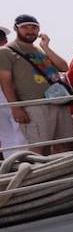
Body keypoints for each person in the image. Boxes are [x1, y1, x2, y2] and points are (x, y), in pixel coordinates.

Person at [0, 14, 73, 155]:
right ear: (16, 28)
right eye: (25, 27)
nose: (30, 31)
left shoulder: (40, 49)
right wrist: (16, 108)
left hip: (58, 101)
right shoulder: (5, 51)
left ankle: (60, 175)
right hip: (34, 105)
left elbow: (64, 67)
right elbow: (6, 82)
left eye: (34, 27)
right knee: (39, 149)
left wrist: (46, 47)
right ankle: (39, 177)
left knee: (65, 145)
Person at [0, 26, 27, 159]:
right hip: (7, 94)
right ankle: (23, 164)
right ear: (4, 40)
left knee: (5, 135)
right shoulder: (7, 54)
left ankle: (10, 165)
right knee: (20, 130)